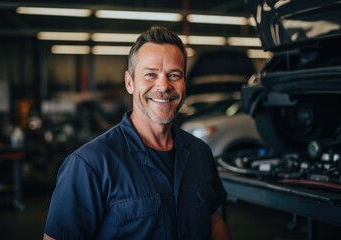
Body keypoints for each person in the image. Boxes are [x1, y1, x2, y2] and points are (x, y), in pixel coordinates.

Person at [43, 26, 231, 240]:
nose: (163, 85)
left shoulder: (200, 153)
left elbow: (213, 220)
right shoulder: (89, 165)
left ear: (184, 83)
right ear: (129, 82)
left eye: (174, 74)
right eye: (150, 74)